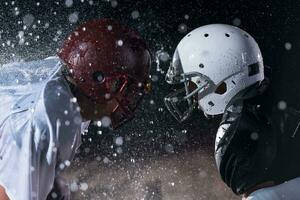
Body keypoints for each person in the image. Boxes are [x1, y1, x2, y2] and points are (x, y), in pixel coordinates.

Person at [0, 19, 151, 200]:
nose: (127, 96)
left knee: (57, 190)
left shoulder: (66, 83)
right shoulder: (45, 122)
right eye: (124, 87)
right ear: (99, 80)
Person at [164, 24, 300, 200]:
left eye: (192, 83)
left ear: (222, 81)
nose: (190, 91)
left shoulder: (248, 130)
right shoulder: (271, 109)